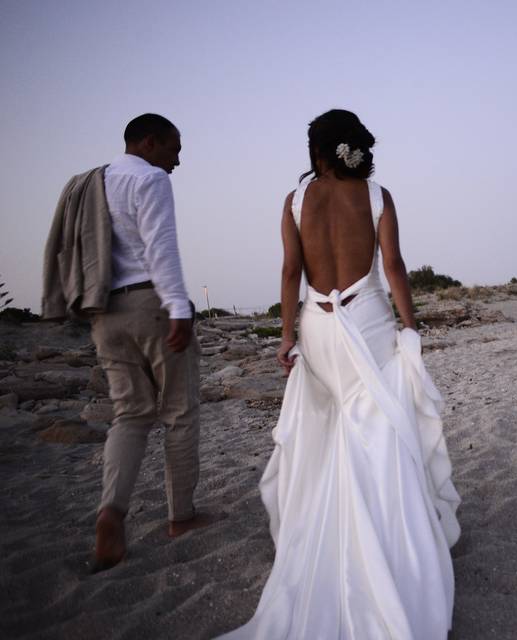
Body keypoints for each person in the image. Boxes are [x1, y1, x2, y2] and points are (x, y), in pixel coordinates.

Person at [221, 110, 460, 639]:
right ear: (353, 148)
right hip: (368, 319)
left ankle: (328, 538)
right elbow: (393, 266)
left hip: (318, 328)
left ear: (317, 151)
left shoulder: (295, 201)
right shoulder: (377, 196)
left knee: (332, 430)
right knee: (373, 429)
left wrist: (287, 336)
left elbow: (290, 272)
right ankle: (380, 544)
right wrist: (411, 327)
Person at [42, 114, 208, 573]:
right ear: (150, 143)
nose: (178, 159)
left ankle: (111, 512)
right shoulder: (149, 179)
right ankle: (181, 517)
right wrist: (178, 306)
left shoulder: (90, 183)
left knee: (129, 416)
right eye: (174, 148)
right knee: (179, 411)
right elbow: (161, 247)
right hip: (150, 304)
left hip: (103, 311)